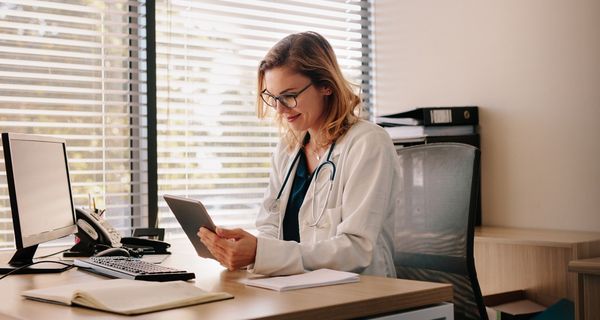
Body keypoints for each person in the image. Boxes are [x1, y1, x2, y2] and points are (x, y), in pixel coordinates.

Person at [198, 31, 401, 277]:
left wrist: (262, 254)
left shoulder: (368, 143)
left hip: (358, 293)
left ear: (326, 85)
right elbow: (270, 228)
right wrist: (245, 251)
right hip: (295, 289)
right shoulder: (288, 149)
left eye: (289, 96)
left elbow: (356, 250)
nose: (280, 109)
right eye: (272, 97)